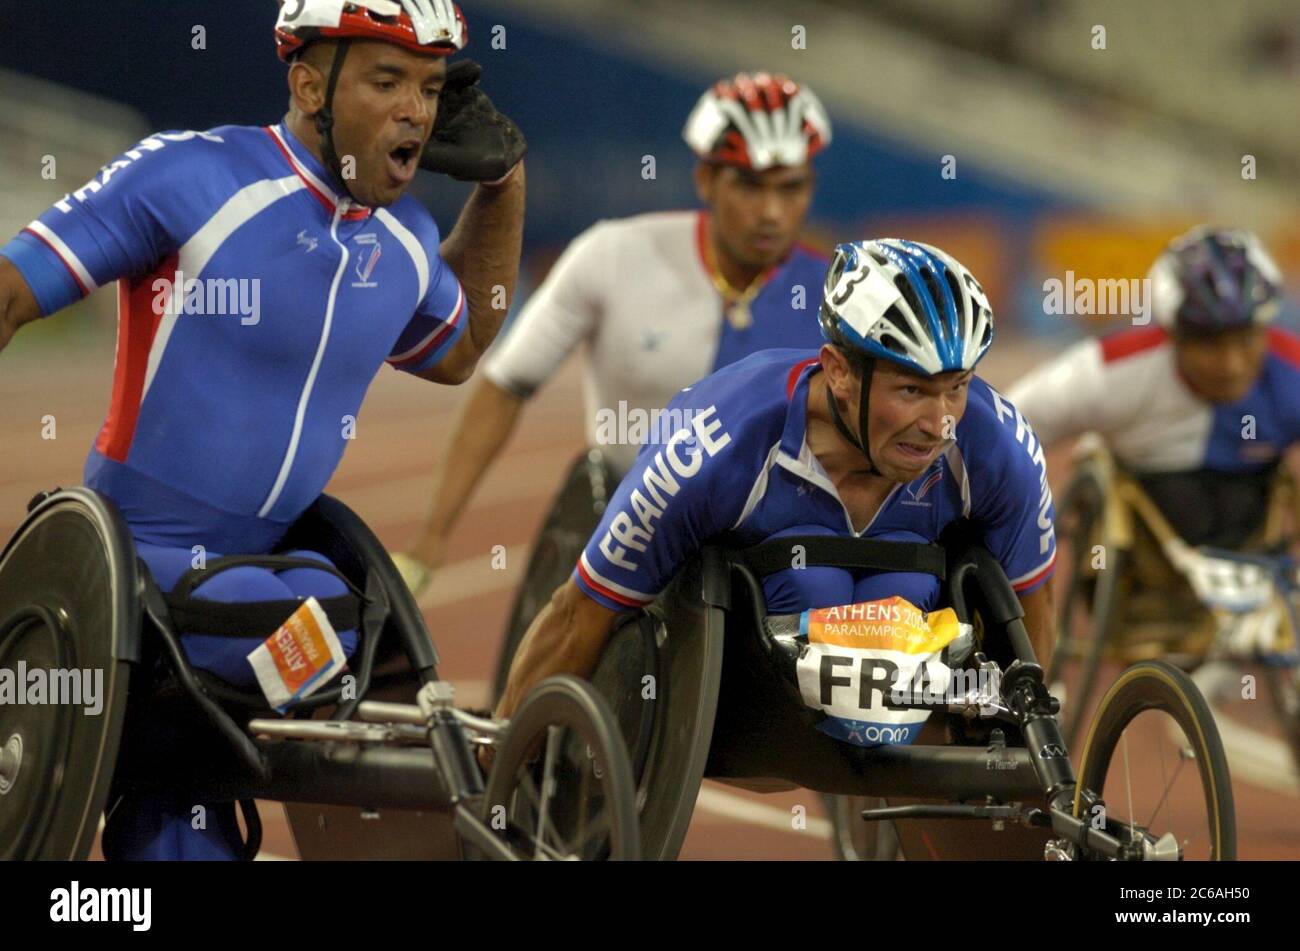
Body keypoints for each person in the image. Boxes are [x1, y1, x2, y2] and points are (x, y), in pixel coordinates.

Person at [0, 0, 526, 859]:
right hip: (136, 569)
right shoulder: (193, 176)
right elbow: (11, 292)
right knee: (317, 622)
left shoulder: (406, 237)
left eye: (431, 89)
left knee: (337, 622)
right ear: (309, 84)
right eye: (387, 81)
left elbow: (464, 346)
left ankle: (169, 802)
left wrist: (504, 184)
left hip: (265, 570)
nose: (417, 112)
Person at [494, 238, 1058, 724]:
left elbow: (1033, 611)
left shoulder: (997, 446)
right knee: (816, 586)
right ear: (838, 371)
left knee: (904, 593)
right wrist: (500, 759)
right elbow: (582, 610)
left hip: (914, 660)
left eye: (956, 387)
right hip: (745, 680)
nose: (940, 424)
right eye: (911, 390)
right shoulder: (712, 445)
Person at [392, 71, 834, 594]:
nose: (771, 212)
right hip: (620, 523)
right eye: (748, 185)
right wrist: (429, 543)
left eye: (790, 188)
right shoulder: (612, 254)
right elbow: (506, 383)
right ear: (707, 180)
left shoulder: (837, 294)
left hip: (765, 543)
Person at [1007, 226, 1297, 551]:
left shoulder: (1292, 372)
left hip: (1249, 505)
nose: (1232, 365)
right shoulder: (1109, 371)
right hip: (1147, 510)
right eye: (1210, 345)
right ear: (1173, 335)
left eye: (1246, 341)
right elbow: (1002, 431)